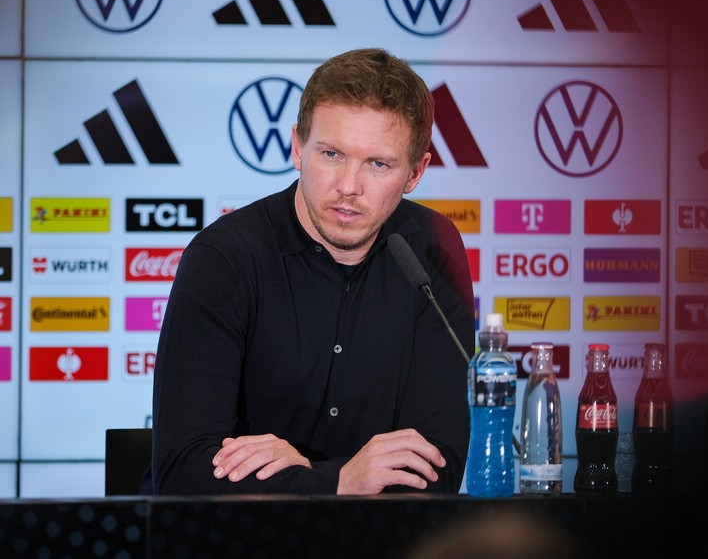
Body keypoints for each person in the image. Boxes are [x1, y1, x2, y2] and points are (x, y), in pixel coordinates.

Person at [144, 48, 475, 495]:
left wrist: (301, 476)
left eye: (378, 164)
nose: (348, 187)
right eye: (332, 154)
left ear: (416, 172)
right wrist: (337, 481)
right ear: (298, 147)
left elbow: (437, 466)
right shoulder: (223, 257)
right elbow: (180, 471)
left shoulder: (434, 249)